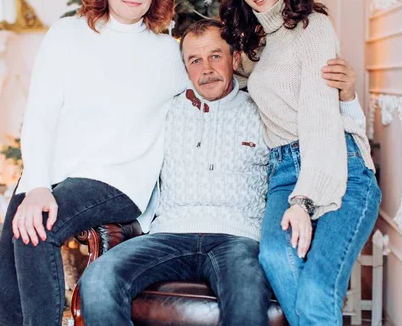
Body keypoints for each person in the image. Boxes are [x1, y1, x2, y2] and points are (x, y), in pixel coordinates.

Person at [78, 19, 364, 326]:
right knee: (97, 278)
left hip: (238, 238)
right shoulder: (165, 111)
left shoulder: (264, 110)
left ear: (235, 59)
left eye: (216, 55)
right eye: (195, 60)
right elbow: (113, 148)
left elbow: (325, 138)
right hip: (169, 234)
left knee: (245, 299)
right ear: (185, 69)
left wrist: (347, 99)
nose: (206, 69)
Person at [0, 0, 188, 326]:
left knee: (40, 231)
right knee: (1, 286)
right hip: (54, 177)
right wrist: (38, 184)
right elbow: (41, 115)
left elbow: (220, 85)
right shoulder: (67, 34)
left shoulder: (168, 53)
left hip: (118, 180)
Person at [220, 0, 381, 325]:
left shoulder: (313, 28)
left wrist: (304, 201)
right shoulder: (259, 43)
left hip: (338, 168)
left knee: (315, 293)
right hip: (283, 173)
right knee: (276, 256)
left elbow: (321, 124)